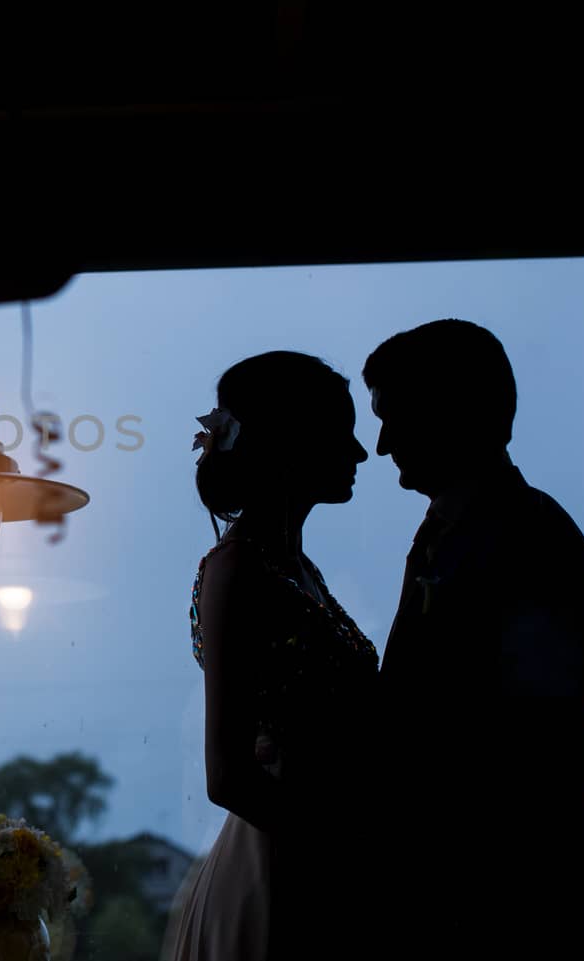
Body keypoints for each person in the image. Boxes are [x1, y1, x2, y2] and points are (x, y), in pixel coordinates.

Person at [363, 319, 584, 960]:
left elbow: (517, 749)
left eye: (394, 416)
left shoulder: (532, 537)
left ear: (449, 408)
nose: (383, 443)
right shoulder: (454, 533)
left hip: (506, 916)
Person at [168, 352, 377, 961]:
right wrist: (355, 846)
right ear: (293, 442)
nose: (361, 453)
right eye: (343, 432)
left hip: (316, 863)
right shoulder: (236, 571)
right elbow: (227, 776)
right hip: (284, 871)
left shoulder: (296, 568)